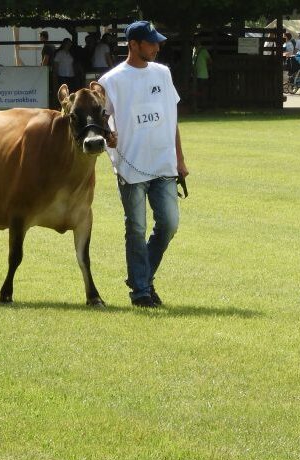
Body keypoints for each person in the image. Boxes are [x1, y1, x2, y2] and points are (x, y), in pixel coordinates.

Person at [98, 21, 188, 308]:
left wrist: (180, 159)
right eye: (151, 43)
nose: (157, 47)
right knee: (136, 228)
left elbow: (171, 120)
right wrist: (108, 136)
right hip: (131, 166)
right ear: (133, 45)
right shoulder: (111, 81)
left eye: (157, 42)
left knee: (169, 224)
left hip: (163, 164)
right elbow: (99, 120)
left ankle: (141, 277)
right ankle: (140, 291)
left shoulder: (162, 74)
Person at [192, 38, 211, 110]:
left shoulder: (203, 50)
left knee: (202, 91)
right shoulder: (194, 49)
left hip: (203, 74)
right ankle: (199, 106)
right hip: (195, 75)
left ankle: (204, 106)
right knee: (198, 91)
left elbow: (210, 61)